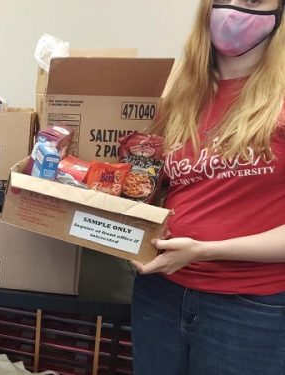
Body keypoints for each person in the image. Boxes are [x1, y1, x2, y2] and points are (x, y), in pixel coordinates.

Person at [131, 0, 285, 374]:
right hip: (160, 294)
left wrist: (205, 250)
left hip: (248, 308)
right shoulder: (182, 98)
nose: (234, 10)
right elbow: (160, 191)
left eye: (252, 0)